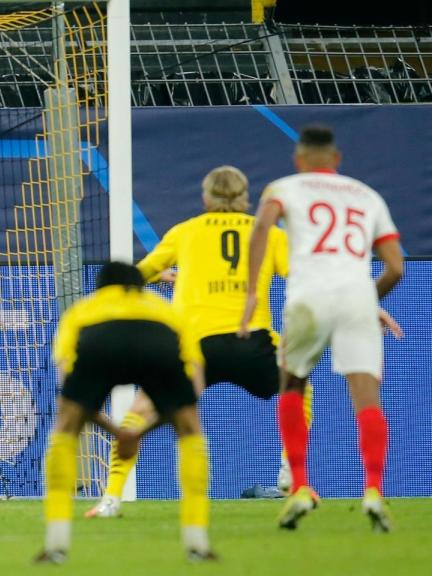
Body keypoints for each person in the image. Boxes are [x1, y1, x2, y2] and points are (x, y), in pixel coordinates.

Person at [86, 165, 311, 519]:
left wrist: (155, 276)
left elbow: (136, 276)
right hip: (250, 341)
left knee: (139, 413)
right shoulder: (269, 233)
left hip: (191, 347)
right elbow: (306, 279)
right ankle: (290, 469)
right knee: (297, 383)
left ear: (205, 198)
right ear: (245, 198)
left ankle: (111, 498)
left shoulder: (184, 232)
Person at [239, 125, 404, 532]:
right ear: (337, 159)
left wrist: (251, 293)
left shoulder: (283, 188)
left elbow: (261, 228)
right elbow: (396, 266)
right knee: (366, 395)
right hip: (355, 297)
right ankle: (373, 490)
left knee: (293, 384)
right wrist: (369, 299)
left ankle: (297, 486)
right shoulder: (367, 196)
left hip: (308, 297)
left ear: (298, 159)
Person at [37, 262, 214, 564]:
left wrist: (116, 432)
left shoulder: (83, 309)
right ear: (140, 286)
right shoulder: (165, 310)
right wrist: (142, 432)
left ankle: (56, 543)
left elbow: (66, 381)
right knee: (189, 430)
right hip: (156, 340)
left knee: (65, 427)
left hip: (99, 339)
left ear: (101, 286)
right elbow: (196, 381)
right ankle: (197, 542)